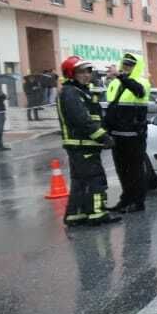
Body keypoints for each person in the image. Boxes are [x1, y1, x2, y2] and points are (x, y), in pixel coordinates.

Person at [57, 56, 120, 227]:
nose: (86, 75)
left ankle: (76, 215)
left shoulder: (80, 91)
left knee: (80, 181)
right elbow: (82, 120)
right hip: (82, 144)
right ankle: (97, 214)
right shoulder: (71, 93)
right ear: (71, 74)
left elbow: (94, 116)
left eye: (88, 71)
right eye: (81, 72)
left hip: (82, 145)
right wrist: (103, 137)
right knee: (95, 179)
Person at [104, 50, 152, 213]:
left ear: (137, 66)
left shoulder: (141, 81)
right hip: (117, 136)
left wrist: (120, 76)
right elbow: (112, 107)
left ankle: (137, 202)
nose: (126, 67)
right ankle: (126, 200)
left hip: (134, 136)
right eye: (124, 64)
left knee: (135, 171)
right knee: (122, 171)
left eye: (130, 65)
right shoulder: (116, 82)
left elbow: (138, 90)